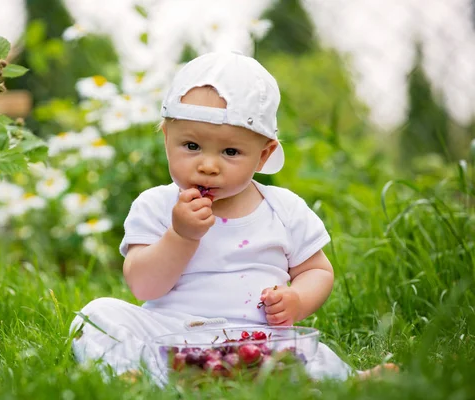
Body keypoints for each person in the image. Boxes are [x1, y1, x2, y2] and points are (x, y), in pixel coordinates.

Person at [69, 51, 396, 384]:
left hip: (257, 338)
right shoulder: (154, 206)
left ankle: (346, 380)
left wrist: (297, 300)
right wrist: (180, 236)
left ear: (263, 155)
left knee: (306, 350)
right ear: (167, 139)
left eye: (230, 152)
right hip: (170, 336)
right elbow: (143, 286)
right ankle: (143, 376)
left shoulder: (283, 209)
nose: (208, 165)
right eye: (192, 145)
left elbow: (316, 270)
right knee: (95, 316)